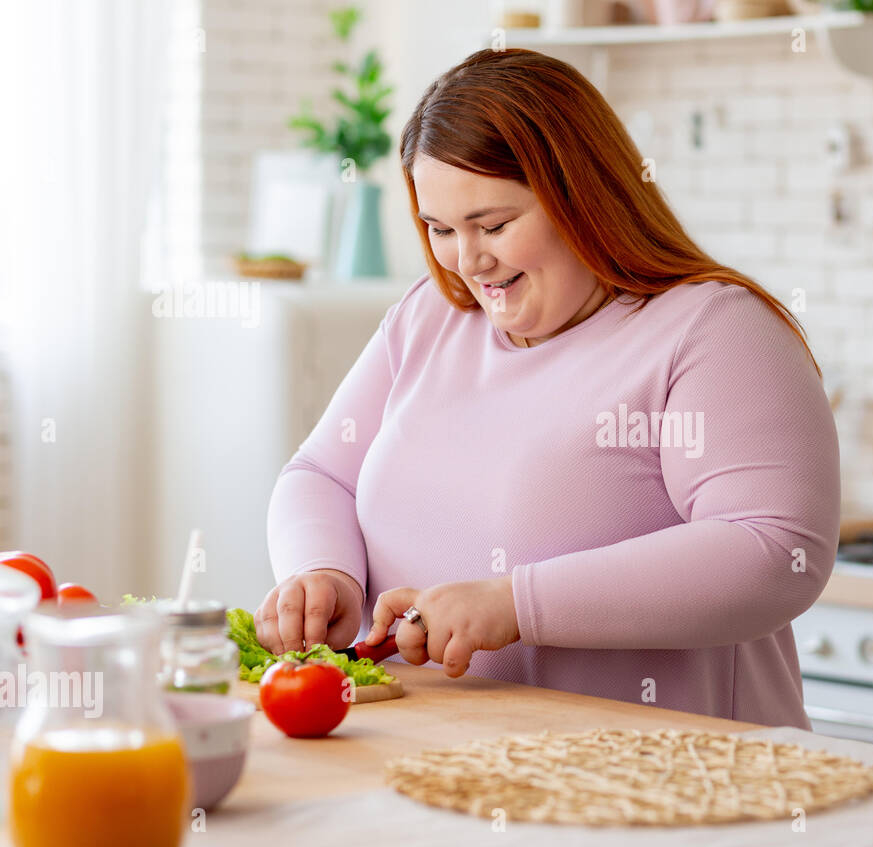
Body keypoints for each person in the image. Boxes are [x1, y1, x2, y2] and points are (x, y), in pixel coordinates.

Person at [257, 48, 839, 728]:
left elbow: (773, 552)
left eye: (494, 225)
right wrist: (325, 572)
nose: (469, 261)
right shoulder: (431, 318)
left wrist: (514, 605)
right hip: (441, 772)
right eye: (440, 229)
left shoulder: (715, 330)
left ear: (582, 195)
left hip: (669, 789)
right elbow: (322, 473)